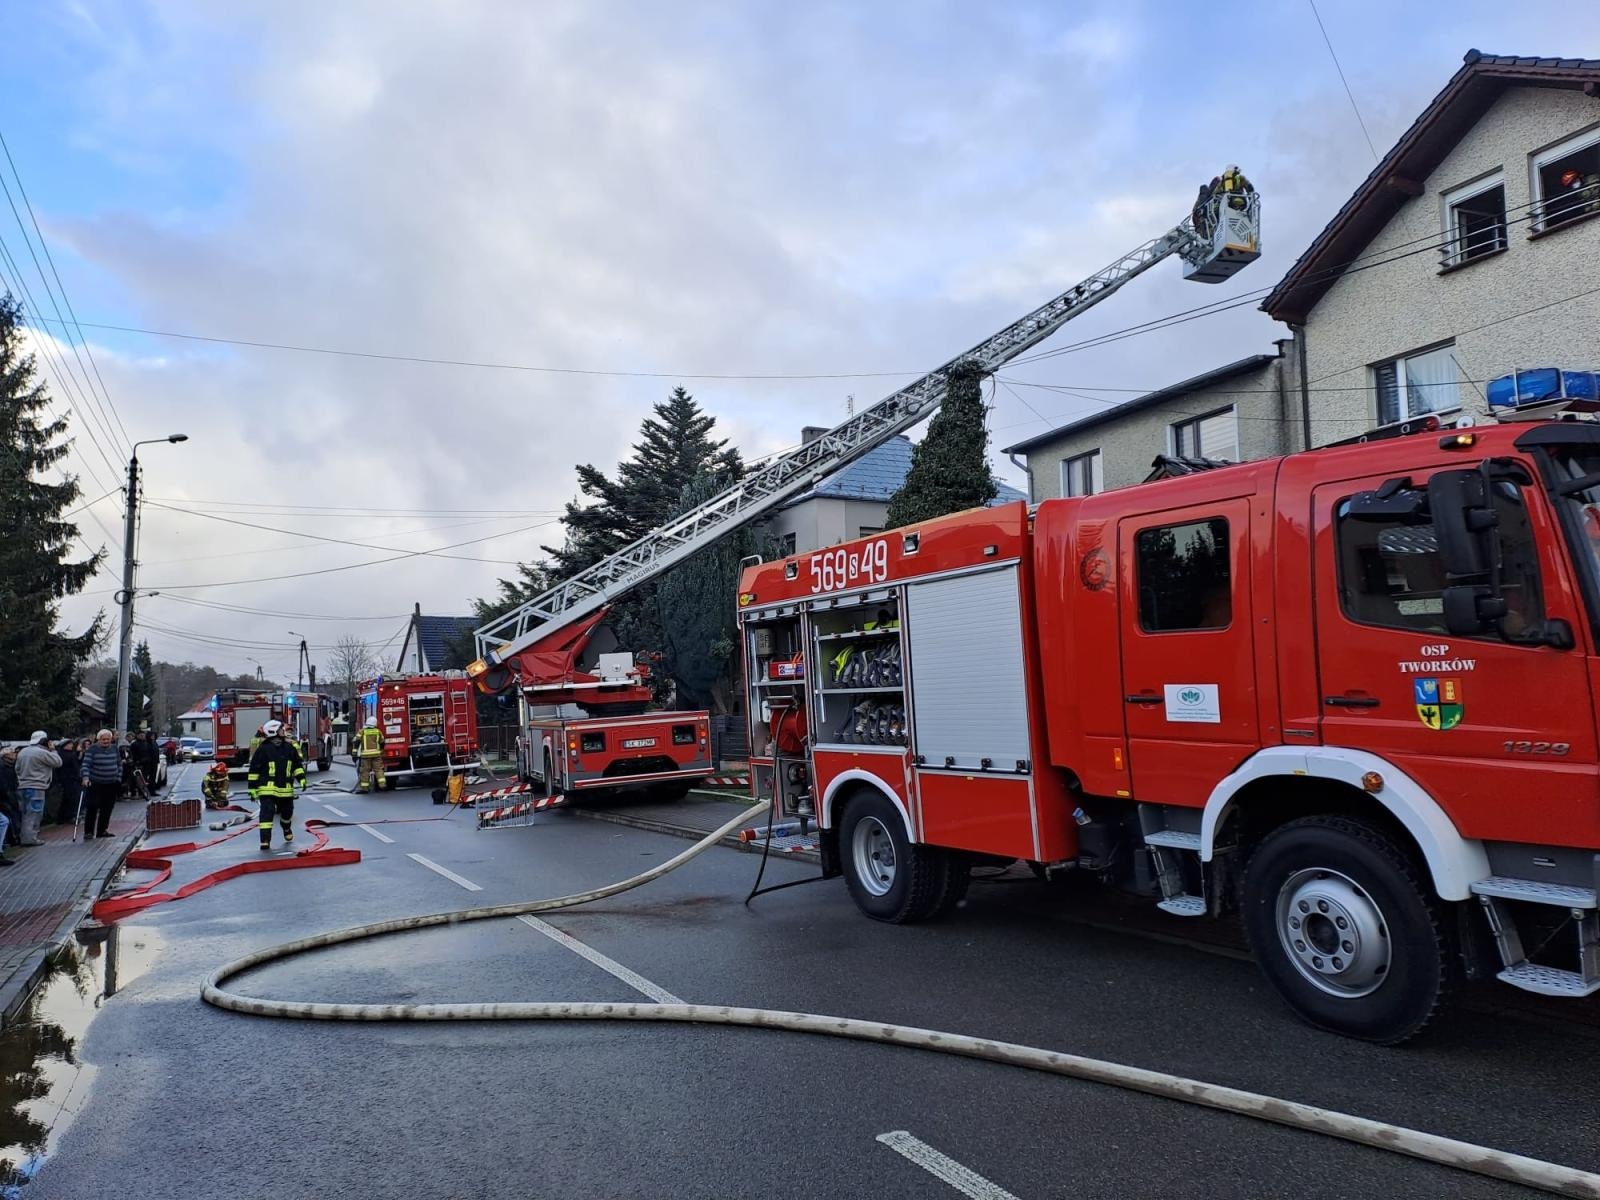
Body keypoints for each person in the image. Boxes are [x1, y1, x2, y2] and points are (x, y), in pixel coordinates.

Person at [247, 719, 306, 850]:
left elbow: (297, 765)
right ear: (274, 731)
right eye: (280, 729)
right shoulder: (262, 750)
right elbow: (254, 770)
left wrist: (301, 778)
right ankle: (265, 840)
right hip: (267, 789)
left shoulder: (289, 748)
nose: (283, 731)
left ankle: (286, 827)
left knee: (287, 812)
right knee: (266, 813)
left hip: (286, 789)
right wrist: (252, 788)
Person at [15, 732, 61, 847]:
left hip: (22, 786)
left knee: (24, 813)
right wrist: (53, 750)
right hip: (36, 786)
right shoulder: (42, 752)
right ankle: (30, 838)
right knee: (34, 813)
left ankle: (22, 836)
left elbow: (17, 768)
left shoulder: (23, 751)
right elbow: (58, 762)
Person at [81, 729, 124, 839]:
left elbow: (119, 763)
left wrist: (118, 777)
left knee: (107, 808)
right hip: (96, 783)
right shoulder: (92, 749)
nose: (106, 741)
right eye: (103, 739)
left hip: (111, 783)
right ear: (98, 739)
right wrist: (85, 778)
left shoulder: (114, 748)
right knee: (92, 807)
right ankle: (88, 832)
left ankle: (102, 831)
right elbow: (86, 765)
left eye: (108, 739)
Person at [54, 739, 82, 827]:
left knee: (66, 799)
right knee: (71, 798)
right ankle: (69, 816)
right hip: (70, 779)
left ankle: (62, 817)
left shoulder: (59, 754)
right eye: (69, 744)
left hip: (64, 779)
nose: (71, 745)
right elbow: (75, 767)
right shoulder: (70, 755)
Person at [0, 747, 21, 864]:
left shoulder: (7, 766)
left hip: (7, 795)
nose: (14, 754)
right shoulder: (3, 767)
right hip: (5, 797)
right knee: (4, 820)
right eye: (12, 753)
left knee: (5, 820)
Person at [355, 717, 386, 793]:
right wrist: (381, 750)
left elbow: (356, 741)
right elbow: (382, 742)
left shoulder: (362, 731)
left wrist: (354, 752)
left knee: (365, 771)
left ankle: (365, 788)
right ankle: (382, 785)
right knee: (379, 770)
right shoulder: (378, 731)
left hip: (365, 756)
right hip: (376, 755)